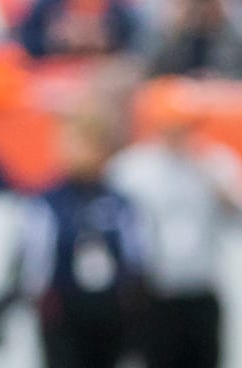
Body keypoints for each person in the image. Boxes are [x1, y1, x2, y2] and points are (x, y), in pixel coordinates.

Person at [108, 111, 242, 368]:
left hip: (202, 288)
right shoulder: (133, 167)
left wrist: (224, 193)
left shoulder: (215, 162)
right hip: (153, 291)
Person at [18, 108, 146, 368]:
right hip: (64, 313)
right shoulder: (47, 203)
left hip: (109, 315)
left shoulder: (119, 202)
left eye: (81, 142)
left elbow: (136, 259)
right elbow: (33, 265)